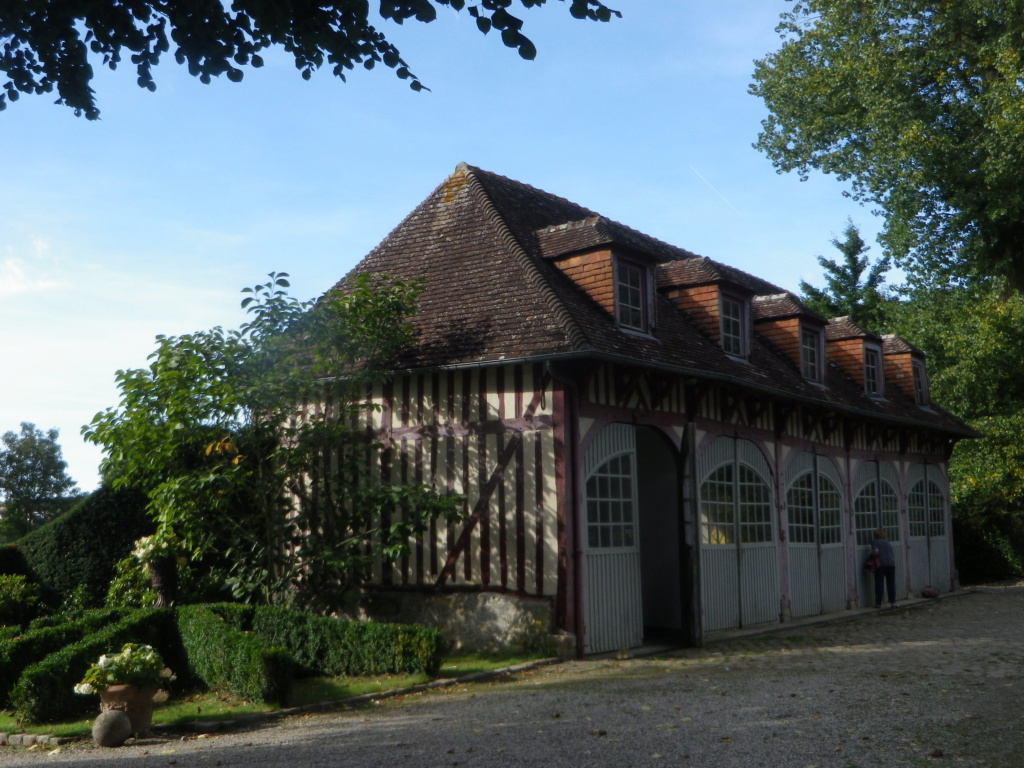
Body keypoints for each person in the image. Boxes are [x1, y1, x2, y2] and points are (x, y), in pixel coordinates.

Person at [871, 528, 897, 608]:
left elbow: (876, 552)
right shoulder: (887, 543)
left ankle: (878, 603)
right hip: (891, 564)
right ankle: (893, 602)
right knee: (891, 584)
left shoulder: (875, 542)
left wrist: (871, 556)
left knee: (879, 583)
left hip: (881, 564)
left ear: (875, 536)